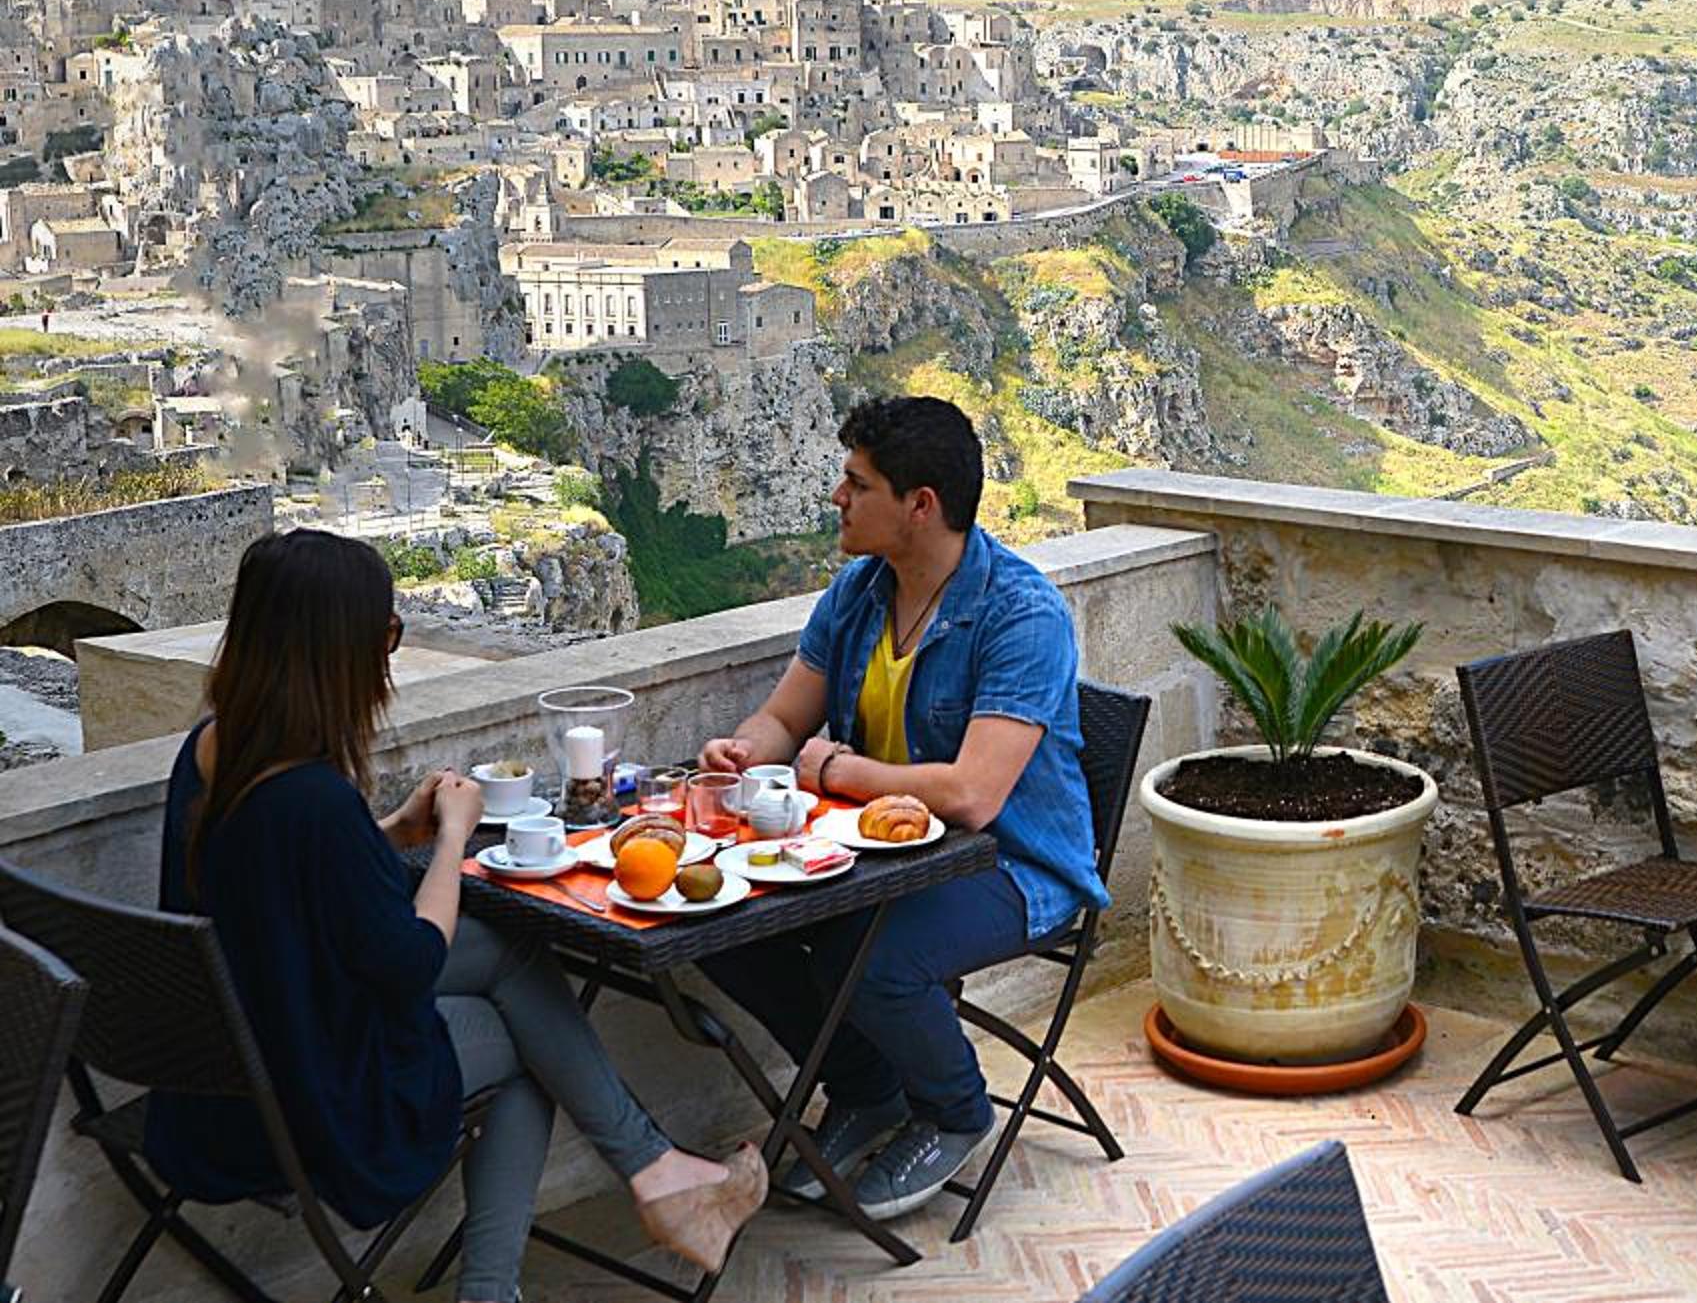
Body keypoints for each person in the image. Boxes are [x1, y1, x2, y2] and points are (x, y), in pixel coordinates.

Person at [147, 530, 766, 1303]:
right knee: (526, 1047)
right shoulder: (312, 797)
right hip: (303, 1096)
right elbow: (410, 961)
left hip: (226, 1067)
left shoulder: (212, 751)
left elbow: (287, 882)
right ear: (340, 649)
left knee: (508, 951)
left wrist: (388, 834)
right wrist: (450, 839)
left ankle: (653, 1176)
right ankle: (538, 1258)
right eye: (386, 634)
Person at [695, 395, 1104, 1220]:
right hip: (880, 861)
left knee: (870, 958)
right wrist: (741, 752)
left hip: (1015, 865)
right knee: (724, 928)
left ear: (920, 505)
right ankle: (866, 1090)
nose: (838, 497)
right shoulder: (858, 592)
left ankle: (955, 1111)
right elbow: (785, 719)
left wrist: (841, 770)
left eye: (858, 484)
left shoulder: (1021, 615)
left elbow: (975, 795)